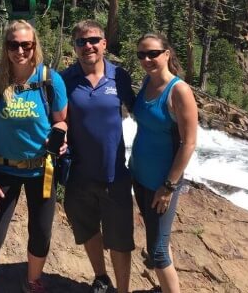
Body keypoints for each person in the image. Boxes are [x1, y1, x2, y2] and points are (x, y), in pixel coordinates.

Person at [0, 19, 68, 293]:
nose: (20, 50)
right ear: (6, 47)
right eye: (13, 45)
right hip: (3, 171)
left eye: (26, 45)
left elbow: (62, 122)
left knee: (41, 233)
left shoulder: (50, 80)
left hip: (43, 170)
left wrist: (61, 136)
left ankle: (33, 281)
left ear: (34, 46)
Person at [61, 20, 135, 293]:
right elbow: (58, 118)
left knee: (119, 238)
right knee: (87, 229)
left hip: (114, 173)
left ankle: (123, 289)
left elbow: (144, 113)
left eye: (93, 40)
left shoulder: (120, 77)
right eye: (81, 41)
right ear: (75, 47)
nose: (88, 46)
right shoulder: (66, 79)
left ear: (104, 43)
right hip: (78, 174)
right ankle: (101, 277)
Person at [129, 33, 198, 293]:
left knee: (157, 253)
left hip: (162, 182)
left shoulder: (178, 90)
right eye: (141, 55)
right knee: (158, 238)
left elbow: (188, 143)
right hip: (139, 175)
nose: (147, 59)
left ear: (167, 54)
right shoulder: (148, 82)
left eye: (153, 54)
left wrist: (169, 186)